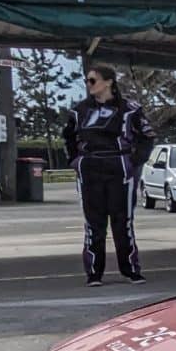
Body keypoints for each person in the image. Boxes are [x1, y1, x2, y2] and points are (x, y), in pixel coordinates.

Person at [61, 63, 154, 285]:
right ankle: (94, 272)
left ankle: (130, 269)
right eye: (87, 81)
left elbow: (147, 136)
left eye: (92, 80)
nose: (88, 85)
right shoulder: (79, 110)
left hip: (119, 166)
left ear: (108, 82)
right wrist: (75, 161)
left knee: (123, 221)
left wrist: (133, 162)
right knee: (94, 223)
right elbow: (67, 138)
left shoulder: (130, 109)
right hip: (90, 168)